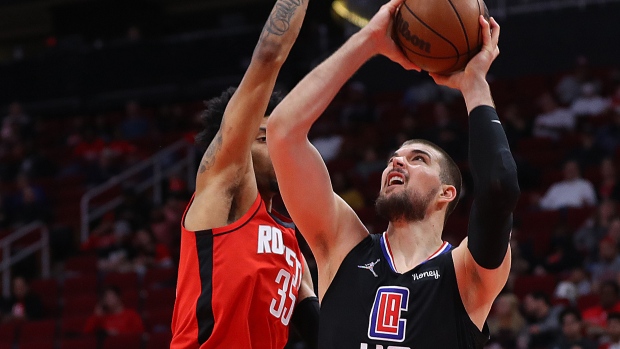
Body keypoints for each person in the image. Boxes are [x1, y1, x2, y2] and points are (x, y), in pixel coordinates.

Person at [267, 1, 520, 347]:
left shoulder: (465, 276)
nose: (396, 163)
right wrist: (369, 40)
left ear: (447, 192)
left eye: (418, 159)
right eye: (393, 159)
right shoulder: (342, 248)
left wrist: (474, 83)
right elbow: (282, 133)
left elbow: (499, 184)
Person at [170, 0, 319, 348]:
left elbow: (320, 331)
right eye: (266, 138)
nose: (281, 148)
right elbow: (269, 54)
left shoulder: (289, 243)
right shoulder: (226, 191)